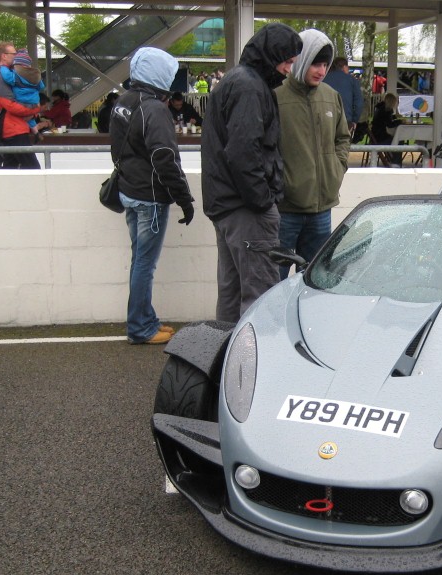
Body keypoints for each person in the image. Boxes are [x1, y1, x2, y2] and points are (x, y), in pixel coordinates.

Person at [201, 23, 302, 324]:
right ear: (271, 56)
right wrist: (262, 202)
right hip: (246, 210)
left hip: (227, 207)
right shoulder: (249, 86)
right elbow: (243, 151)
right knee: (259, 299)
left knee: (231, 296)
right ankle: (255, 369)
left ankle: (223, 365)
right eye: (287, 60)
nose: (289, 69)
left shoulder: (237, 80)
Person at [110, 47, 195, 346]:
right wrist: (185, 198)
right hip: (150, 198)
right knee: (145, 264)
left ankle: (146, 320)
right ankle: (140, 328)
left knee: (139, 261)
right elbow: (165, 158)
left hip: (129, 192)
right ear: (159, 75)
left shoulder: (124, 101)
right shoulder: (155, 109)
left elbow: (118, 148)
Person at [275, 29, 350, 273]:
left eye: (326, 64)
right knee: (275, 281)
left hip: (321, 209)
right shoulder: (275, 96)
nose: (321, 70)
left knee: (314, 280)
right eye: (315, 63)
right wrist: (282, 183)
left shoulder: (331, 96)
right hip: (285, 210)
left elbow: (343, 139)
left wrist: (336, 170)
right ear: (301, 59)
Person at [0, 41, 42, 169]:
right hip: (14, 130)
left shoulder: (2, 74)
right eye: (13, 53)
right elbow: (10, 105)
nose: (16, 56)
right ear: (4, 56)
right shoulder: (0, 76)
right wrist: (36, 109)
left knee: (10, 169)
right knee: (33, 168)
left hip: (13, 129)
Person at [0, 49, 43, 133]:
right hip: (34, 102)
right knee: (30, 118)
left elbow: (7, 77)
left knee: (20, 119)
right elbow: (41, 86)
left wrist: (2, 67)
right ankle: (35, 131)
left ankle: (33, 130)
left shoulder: (17, 76)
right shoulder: (36, 75)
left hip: (22, 102)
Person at [324, 57, 362, 139]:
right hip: (345, 119)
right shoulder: (352, 80)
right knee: (342, 146)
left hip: (325, 118)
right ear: (344, 67)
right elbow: (358, 102)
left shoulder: (323, 79)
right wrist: (354, 120)